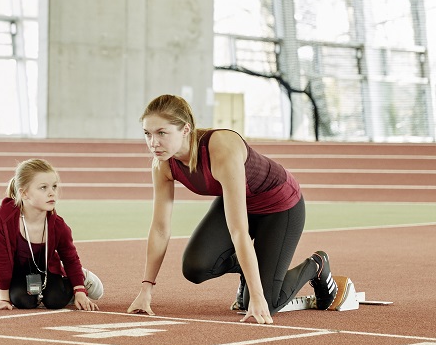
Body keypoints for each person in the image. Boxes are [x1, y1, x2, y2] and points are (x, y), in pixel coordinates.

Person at [128, 94, 351, 324]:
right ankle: (251, 269)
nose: (153, 142)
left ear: (185, 129)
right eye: (147, 133)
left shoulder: (221, 148)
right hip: (240, 201)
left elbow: (238, 231)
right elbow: (160, 229)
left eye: (161, 133)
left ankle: (316, 265)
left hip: (280, 206)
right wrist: (146, 289)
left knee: (267, 302)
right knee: (196, 268)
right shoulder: (163, 165)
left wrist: (257, 296)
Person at [0, 158, 103, 311]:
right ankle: (28, 294)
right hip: (15, 272)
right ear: (24, 193)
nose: (52, 192)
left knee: (55, 301)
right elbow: (0, 258)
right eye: (43, 188)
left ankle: (78, 277)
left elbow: (70, 257)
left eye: (54, 186)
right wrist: (3, 299)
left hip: (45, 269)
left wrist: (79, 290)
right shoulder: (5, 218)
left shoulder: (57, 225)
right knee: (23, 301)